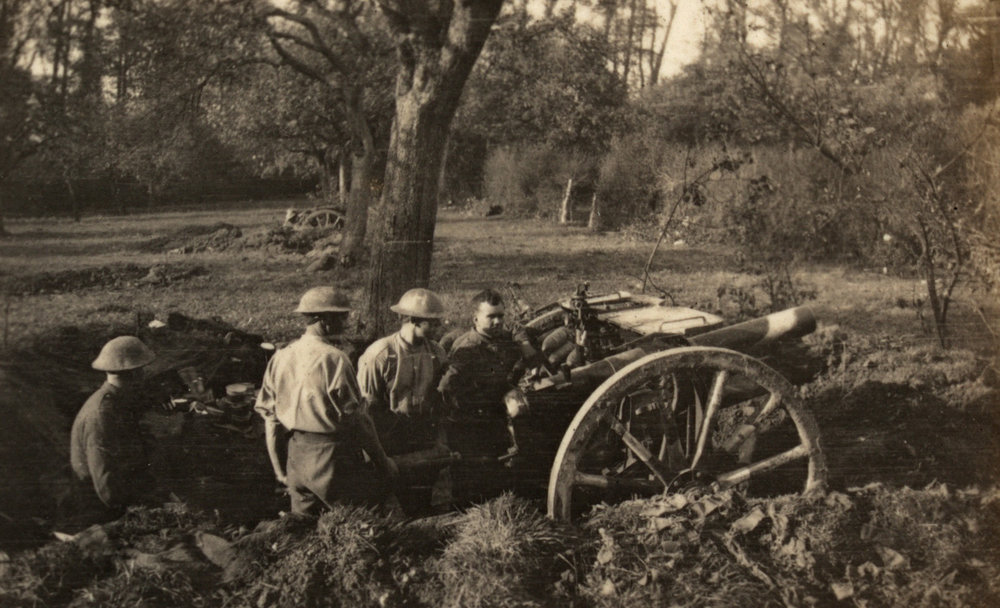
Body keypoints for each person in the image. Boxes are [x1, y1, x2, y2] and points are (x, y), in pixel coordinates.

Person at [255, 286, 397, 515]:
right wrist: (383, 462)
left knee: (302, 528)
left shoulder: (280, 357)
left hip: (297, 457)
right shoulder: (335, 360)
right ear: (324, 320)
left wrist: (279, 470)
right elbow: (360, 420)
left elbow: (270, 421)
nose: (346, 323)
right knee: (357, 522)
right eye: (342, 317)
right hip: (333, 459)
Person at [438, 288, 543, 505]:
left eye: (500, 316)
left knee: (495, 473)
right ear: (475, 318)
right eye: (491, 317)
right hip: (469, 422)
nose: (497, 322)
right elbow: (446, 388)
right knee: (470, 478)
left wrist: (523, 342)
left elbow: (527, 353)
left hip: (493, 417)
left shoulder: (503, 339)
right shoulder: (467, 348)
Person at [357, 288, 449, 516]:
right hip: (387, 437)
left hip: (421, 435)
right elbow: (365, 408)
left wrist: (438, 438)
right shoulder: (380, 354)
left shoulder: (436, 352)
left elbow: (440, 400)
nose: (439, 327)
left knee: (419, 502)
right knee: (376, 505)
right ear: (415, 321)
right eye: (433, 323)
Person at [69, 336, 158, 523]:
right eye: (142, 371)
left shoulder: (117, 402)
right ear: (135, 374)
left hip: (119, 496)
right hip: (100, 512)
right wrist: (145, 511)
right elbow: (108, 489)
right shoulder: (102, 415)